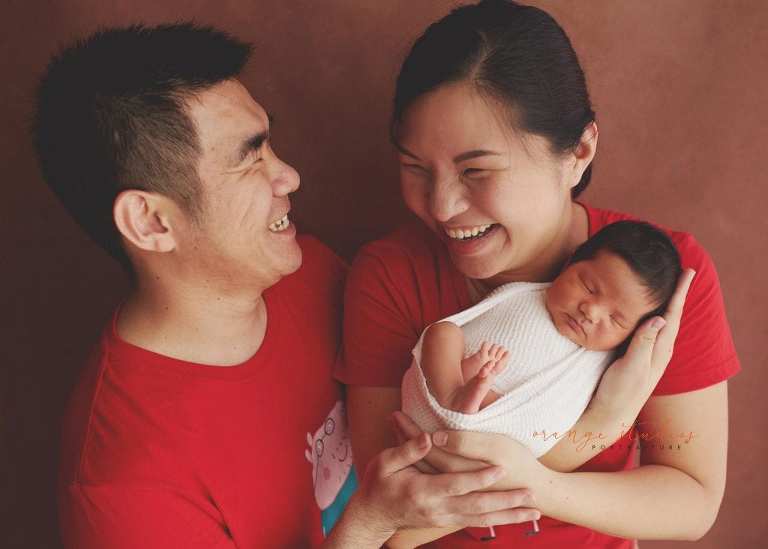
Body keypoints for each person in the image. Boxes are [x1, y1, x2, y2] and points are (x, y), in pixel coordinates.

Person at [34, 23, 541, 549]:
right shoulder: (122, 486)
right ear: (151, 222)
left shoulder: (308, 271)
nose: (289, 176)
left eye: (269, 144)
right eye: (249, 158)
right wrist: (368, 525)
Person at [336, 1, 740, 547]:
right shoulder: (390, 277)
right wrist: (600, 426)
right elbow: (395, 531)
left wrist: (541, 484)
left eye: (476, 171)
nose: (442, 206)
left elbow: (689, 501)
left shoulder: (657, 282)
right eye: (414, 168)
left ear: (579, 150)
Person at [407, 221, 682, 460]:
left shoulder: (593, 363)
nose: (591, 311)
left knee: (527, 421)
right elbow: (471, 323)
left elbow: (553, 419)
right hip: (439, 385)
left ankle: (473, 400)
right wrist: (462, 370)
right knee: (443, 332)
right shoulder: (529, 294)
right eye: (588, 286)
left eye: (616, 319)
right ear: (571, 262)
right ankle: (454, 392)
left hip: (497, 425)